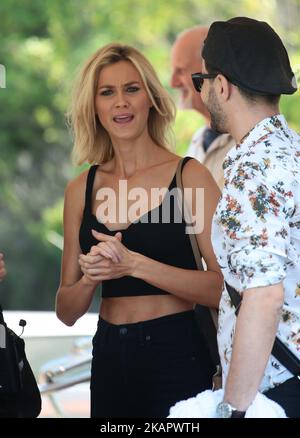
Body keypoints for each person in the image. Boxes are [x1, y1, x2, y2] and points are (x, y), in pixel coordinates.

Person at [55, 43, 223, 418]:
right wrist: (91, 279)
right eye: (107, 92)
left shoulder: (190, 176)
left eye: (132, 89)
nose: (121, 103)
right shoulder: (79, 189)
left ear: (151, 99)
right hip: (109, 352)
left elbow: (224, 288)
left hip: (177, 350)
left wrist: (134, 265)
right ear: (94, 107)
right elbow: (66, 310)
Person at [192, 17, 300, 417]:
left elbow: (264, 295)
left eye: (200, 80)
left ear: (221, 85)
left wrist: (233, 408)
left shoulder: (256, 170)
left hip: (276, 389)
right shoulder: (291, 150)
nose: (202, 92)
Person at [170, 26, 235, 188]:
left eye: (181, 70)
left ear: (209, 70)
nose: (173, 82)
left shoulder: (250, 146)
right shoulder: (199, 139)